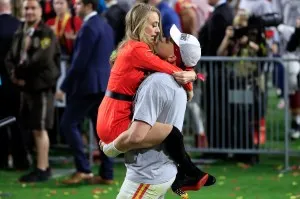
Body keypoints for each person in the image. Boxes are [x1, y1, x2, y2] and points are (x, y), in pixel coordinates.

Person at [96, 3, 214, 193]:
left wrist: (111, 149)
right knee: (173, 133)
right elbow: (168, 68)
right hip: (114, 119)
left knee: (172, 133)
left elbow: (166, 68)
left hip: (113, 120)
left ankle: (189, 174)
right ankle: (189, 174)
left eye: (158, 25)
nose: (159, 32)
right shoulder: (139, 52)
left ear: (175, 53)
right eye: (153, 25)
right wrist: (190, 78)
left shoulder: (146, 64)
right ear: (139, 25)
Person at [57, 0, 115, 185]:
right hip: (102, 85)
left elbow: (79, 63)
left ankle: (83, 169)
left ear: (89, 6)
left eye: (79, 3)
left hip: (87, 86)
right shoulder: (105, 25)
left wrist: (64, 87)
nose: (75, 7)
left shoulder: (89, 27)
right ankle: (107, 173)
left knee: (68, 123)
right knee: (101, 132)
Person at [5, 0, 60, 182]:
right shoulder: (20, 31)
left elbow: (40, 60)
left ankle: (43, 169)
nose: (29, 11)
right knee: (31, 128)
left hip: (41, 87)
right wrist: (14, 74)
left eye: (33, 8)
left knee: (40, 128)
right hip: (25, 87)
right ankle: (39, 165)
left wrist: (19, 73)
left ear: (40, 11)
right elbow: (10, 57)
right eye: (26, 8)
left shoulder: (47, 33)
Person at [0, 0, 29, 170]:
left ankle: (2, 159)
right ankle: (21, 159)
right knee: (19, 120)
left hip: (2, 80)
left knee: (2, 121)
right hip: (18, 81)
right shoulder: (20, 26)